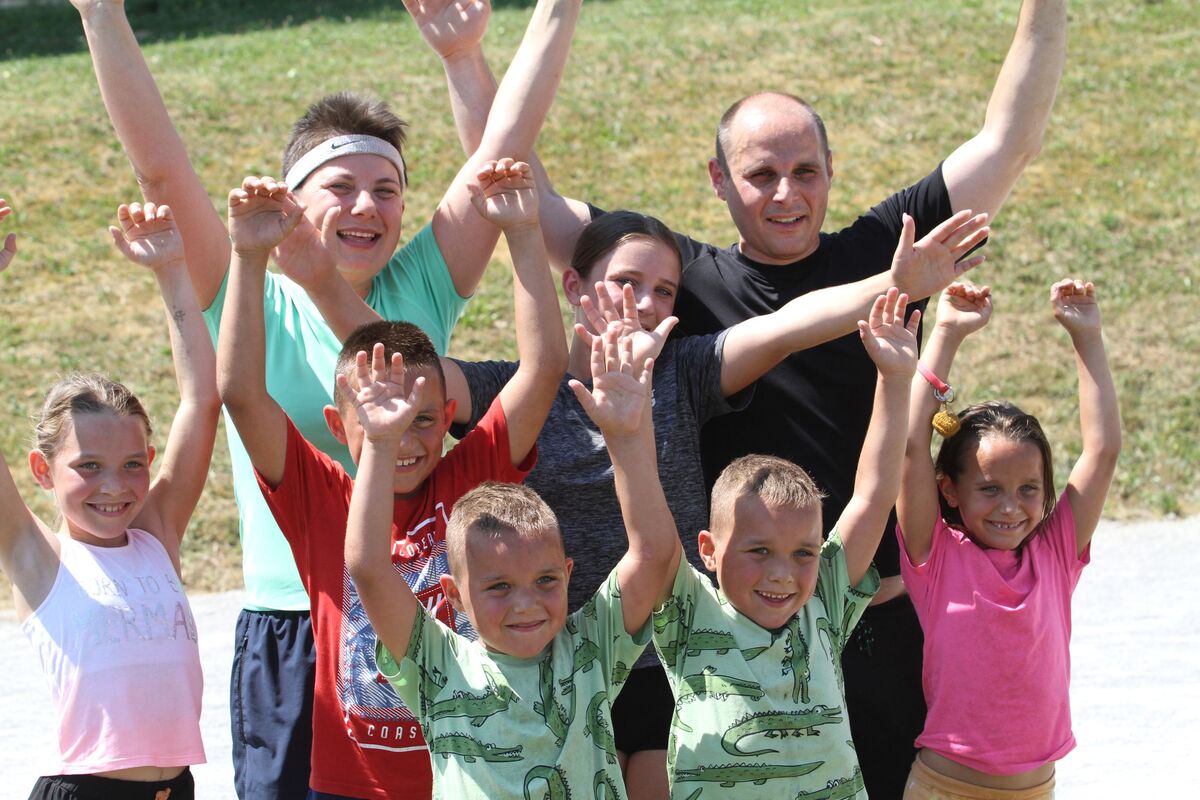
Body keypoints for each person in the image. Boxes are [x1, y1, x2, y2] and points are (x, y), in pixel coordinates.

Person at [416, 2, 1069, 793]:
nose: (786, 193)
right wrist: (465, 59)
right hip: (729, 643)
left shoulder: (888, 247)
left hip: (872, 619)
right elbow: (514, 182)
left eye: (806, 171)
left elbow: (1009, 141)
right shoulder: (679, 285)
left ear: (831, 170)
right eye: (761, 174)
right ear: (719, 180)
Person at [69, 0, 583, 795]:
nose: (367, 206)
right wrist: (100, 15)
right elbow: (162, 172)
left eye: (387, 190)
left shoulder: (421, 283)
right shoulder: (246, 292)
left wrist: (555, 10)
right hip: (292, 619)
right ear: (291, 199)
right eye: (341, 186)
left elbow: (503, 150)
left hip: (423, 620)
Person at [216, 157, 567, 799]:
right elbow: (241, 393)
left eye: (421, 419)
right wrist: (246, 256)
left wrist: (522, 231)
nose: (402, 438)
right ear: (336, 423)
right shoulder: (320, 497)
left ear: (449, 417)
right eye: (377, 419)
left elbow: (543, 367)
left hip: (473, 776)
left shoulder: (471, 478)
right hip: (353, 786)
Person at [346, 320, 679, 798]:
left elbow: (653, 553)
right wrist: (380, 444)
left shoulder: (591, 646)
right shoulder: (438, 662)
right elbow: (368, 567)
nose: (526, 603)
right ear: (454, 595)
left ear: (568, 574)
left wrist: (625, 435)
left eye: (545, 580)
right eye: (499, 586)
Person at [647, 290, 919, 799]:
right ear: (708, 550)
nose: (782, 573)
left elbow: (873, 496)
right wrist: (628, 428)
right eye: (759, 551)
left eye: (803, 553)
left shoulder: (823, 604)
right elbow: (648, 528)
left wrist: (895, 377)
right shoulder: (687, 612)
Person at [0, 198, 220, 799]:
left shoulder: (156, 535)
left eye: (132, 465)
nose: (114, 486)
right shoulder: (36, 556)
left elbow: (201, 400)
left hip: (175, 789)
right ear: (42, 471)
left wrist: (172, 269)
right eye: (88, 467)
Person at [895, 279, 1120, 799]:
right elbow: (910, 446)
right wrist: (947, 332)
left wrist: (1087, 337)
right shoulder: (935, 555)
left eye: (1028, 489)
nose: (1011, 507)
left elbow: (1103, 450)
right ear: (949, 490)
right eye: (990, 488)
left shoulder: (1055, 554)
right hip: (943, 788)